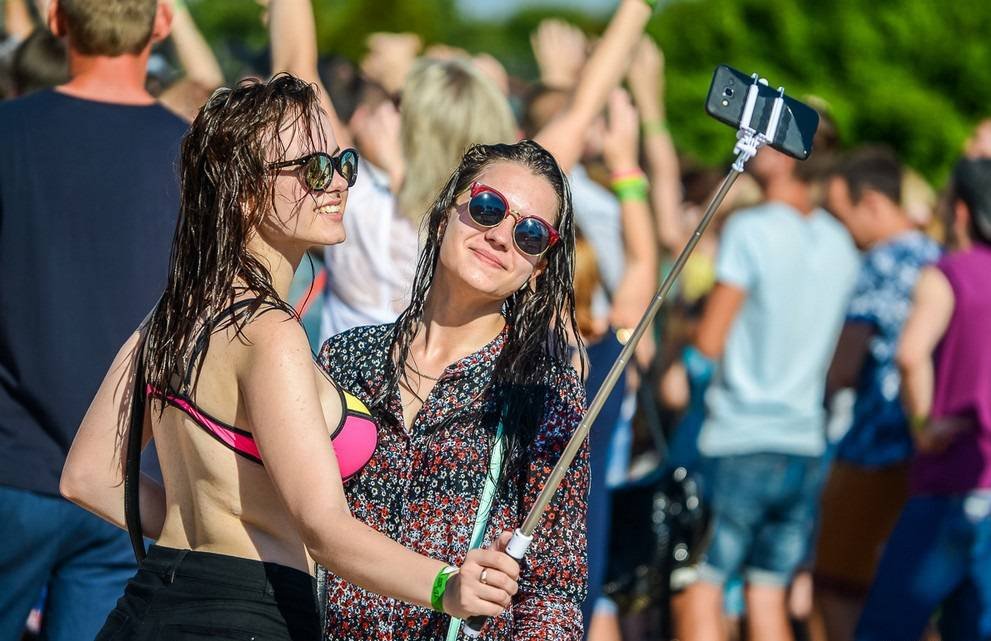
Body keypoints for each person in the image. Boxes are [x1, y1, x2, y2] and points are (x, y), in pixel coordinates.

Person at [60, 73, 520, 641]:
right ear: (246, 193)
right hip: (243, 617)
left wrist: (211, 534)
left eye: (343, 163)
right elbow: (323, 527)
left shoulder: (175, 315)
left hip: (148, 606)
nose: (338, 184)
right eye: (314, 170)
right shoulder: (271, 332)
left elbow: (88, 477)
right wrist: (446, 586)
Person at [318, 140, 589, 640]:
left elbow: (554, 591)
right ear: (445, 217)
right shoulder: (343, 359)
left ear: (538, 269)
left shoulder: (546, 392)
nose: (501, 237)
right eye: (487, 207)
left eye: (530, 234)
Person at [0, 1, 187, 639]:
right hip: (126, 477)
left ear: (56, 20)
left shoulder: (10, 132)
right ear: (162, 24)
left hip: (16, 466)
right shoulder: (193, 156)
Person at [681, 142, 860, 641]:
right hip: (803, 440)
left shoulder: (750, 228)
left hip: (741, 434)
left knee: (701, 586)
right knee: (767, 594)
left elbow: (709, 341)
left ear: (785, 157)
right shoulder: (839, 241)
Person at [855, 157, 991, 641]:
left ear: (960, 211)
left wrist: (922, 425)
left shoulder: (948, 274)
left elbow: (910, 354)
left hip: (949, 477)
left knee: (886, 626)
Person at [813, 149, 940, 641]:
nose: (842, 230)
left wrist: (823, 390)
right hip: (927, 446)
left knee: (836, 584)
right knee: (909, 594)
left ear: (871, 203)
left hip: (873, 445)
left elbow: (845, 367)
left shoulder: (881, 261)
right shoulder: (938, 255)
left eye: (841, 215)